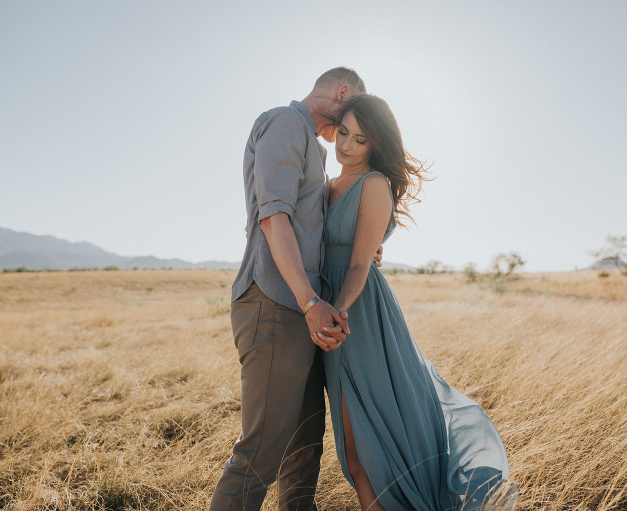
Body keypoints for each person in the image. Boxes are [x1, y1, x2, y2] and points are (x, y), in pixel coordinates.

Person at [313, 94, 518, 511]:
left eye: (361, 139)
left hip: (358, 316)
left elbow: (358, 265)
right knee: (353, 456)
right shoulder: (327, 186)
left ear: (377, 145)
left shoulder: (373, 184)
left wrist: (337, 312)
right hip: (329, 312)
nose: (347, 146)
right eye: (345, 133)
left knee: (370, 449)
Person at [209, 67, 379, 511]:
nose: (346, 134)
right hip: (276, 304)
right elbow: (272, 218)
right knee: (260, 454)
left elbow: (306, 227)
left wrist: (361, 250)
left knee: (304, 454)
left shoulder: (314, 149)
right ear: (342, 92)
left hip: (304, 312)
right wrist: (309, 302)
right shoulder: (285, 123)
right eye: (350, 114)